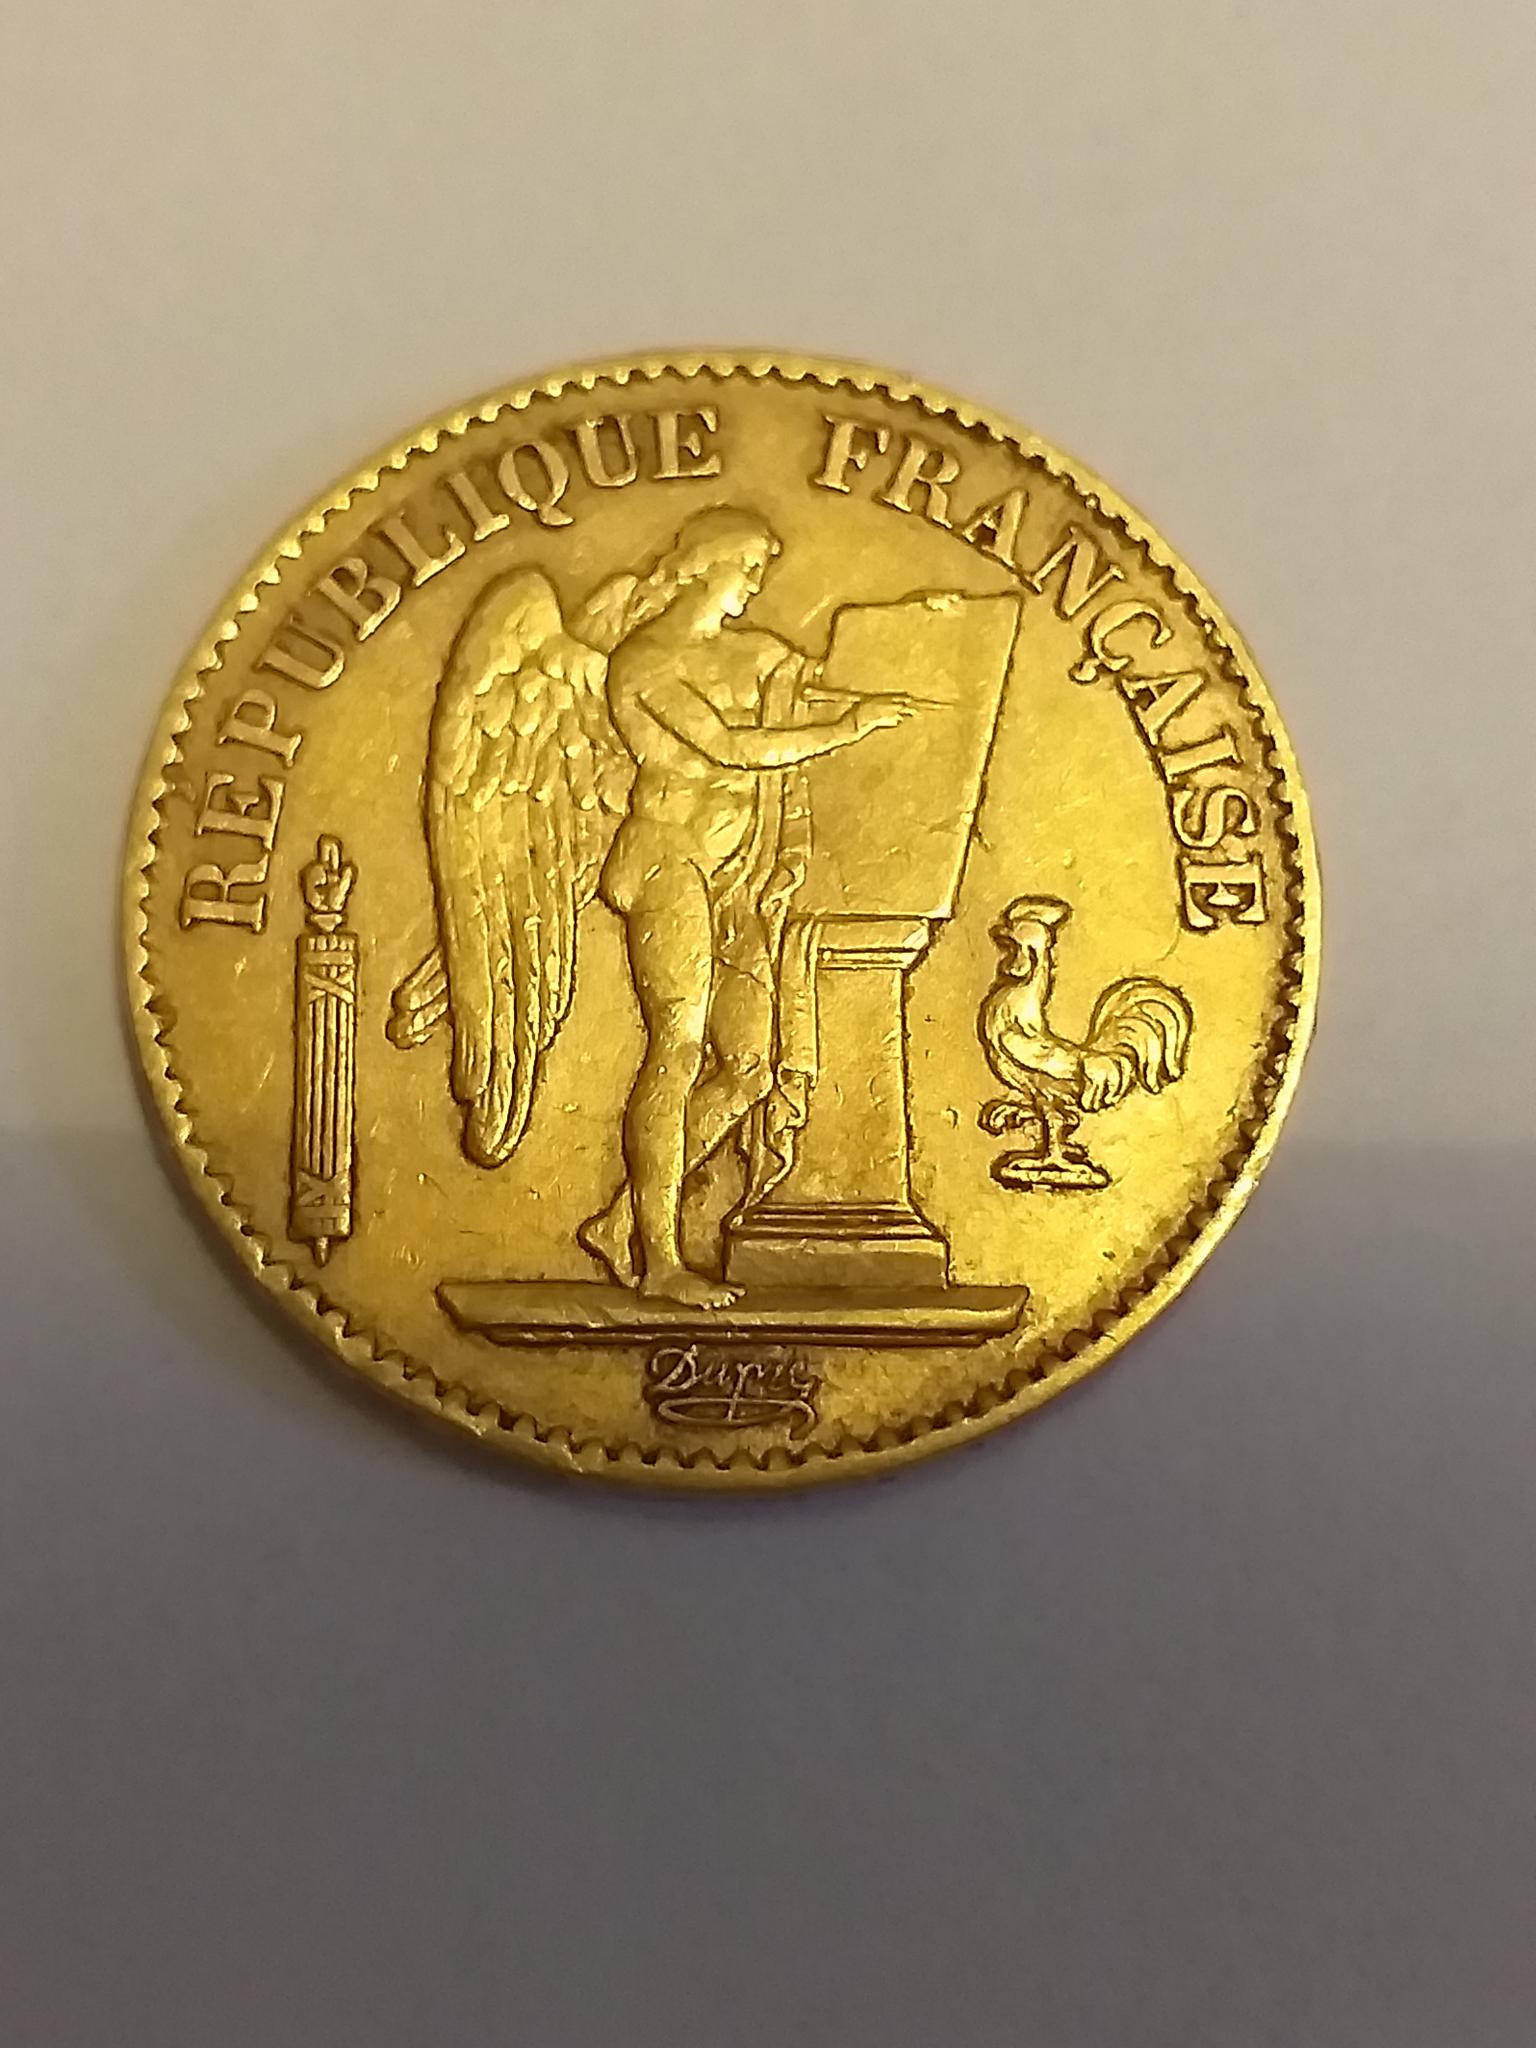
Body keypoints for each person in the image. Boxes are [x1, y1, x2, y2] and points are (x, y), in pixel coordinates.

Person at [576, 507, 914, 1306]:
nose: (757, 582)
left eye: (763, 568)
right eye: (748, 565)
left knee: (748, 1069)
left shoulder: (759, 653)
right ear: (702, 564)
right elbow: (729, 746)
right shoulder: (643, 661)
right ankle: (662, 1262)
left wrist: (917, 633)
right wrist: (849, 727)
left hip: (741, 872)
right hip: (668, 861)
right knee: (679, 1047)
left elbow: (828, 679)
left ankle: (620, 1221)